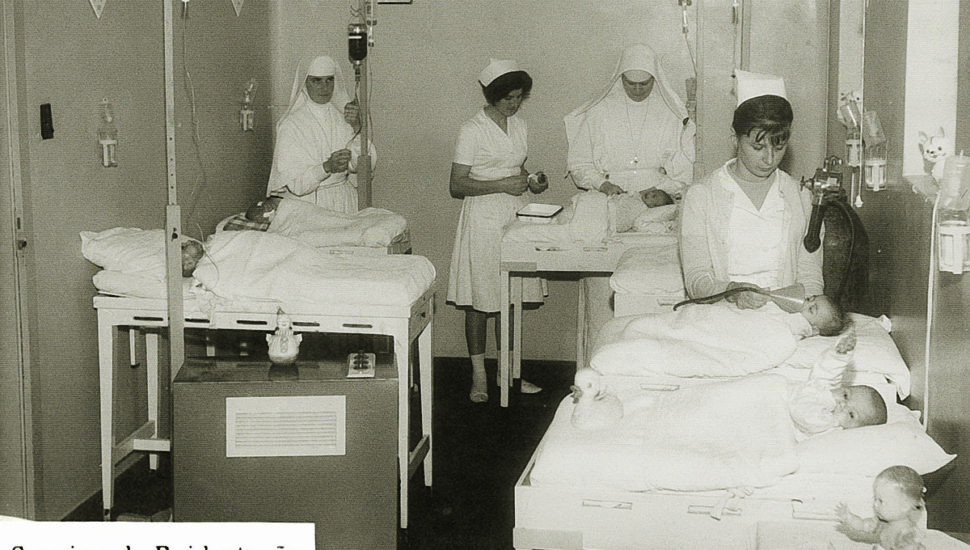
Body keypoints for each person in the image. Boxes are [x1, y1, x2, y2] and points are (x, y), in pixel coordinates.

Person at [564, 43, 696, 361]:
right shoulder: (599, 112)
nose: (637, 90)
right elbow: (579, 163)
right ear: (619, 78)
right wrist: (602, 184)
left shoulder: (669, 113)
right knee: (602, 301)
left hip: (656, 205)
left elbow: (683, 170)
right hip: (610, 202)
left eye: (644, 84)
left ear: (655, 79)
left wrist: (661, 191)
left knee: (649, 298)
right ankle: (596, 367)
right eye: (630, 83)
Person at [447, 58, 550, 403]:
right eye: (508, 98)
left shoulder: (519, 126)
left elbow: (515, 167)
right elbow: (457, 184)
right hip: (482, 218)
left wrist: (531, 180)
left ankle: (507, 371)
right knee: (479, 301)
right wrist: (501, 185)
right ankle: (479, 374)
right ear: (492, 96)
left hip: (514, 214)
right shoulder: (472, 129)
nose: (514, 104)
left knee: (510, 297)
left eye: (519, 97)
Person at [680, 70, 824, 311]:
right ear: (735, 139)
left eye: (779, 147)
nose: (769, 159)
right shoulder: (702, 196)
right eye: (758, 147)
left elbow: (810, 276)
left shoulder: (801, 197)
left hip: (785, 316)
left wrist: (811, 317)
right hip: (722, 312)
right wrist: (732, 291)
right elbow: (697, 279)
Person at [266, 55, 376, 214]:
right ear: (305, 83)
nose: (325, 88)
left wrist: (357, 127)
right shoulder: (291, 125)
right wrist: (327, 167)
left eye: (329, 80)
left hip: (345, 200)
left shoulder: (343, 118)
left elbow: (366, 165)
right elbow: (296, 184)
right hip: (309, 204)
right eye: (316, 81)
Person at [787, 326, 887, 440]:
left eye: (851, 414)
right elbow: (826, 373)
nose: (842, 404)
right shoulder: (824, 390)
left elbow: (804, 415)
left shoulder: (829, 429)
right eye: (845, 395)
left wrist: (833, 418)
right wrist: (840, 355)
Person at [836, 465, 927, 549]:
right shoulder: (881, 522)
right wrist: (849, 517)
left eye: (881, 501)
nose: (875, 504)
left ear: (904, 506)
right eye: (875, 498)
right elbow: (864, 525)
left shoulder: (906, 534)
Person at [609, 187, 675, 233]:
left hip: (613, 218)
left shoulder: (642, 208)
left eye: (654, 196)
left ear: (653, 206)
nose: (650, 193)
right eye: (652, 191)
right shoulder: (639, 198)